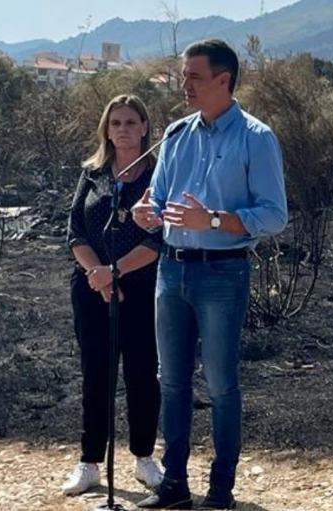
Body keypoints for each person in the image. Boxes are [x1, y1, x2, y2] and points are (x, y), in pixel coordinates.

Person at [131, 39, 288, 510]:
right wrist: (147, 212)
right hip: (171, 270)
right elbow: (157, 199)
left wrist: (214, 220)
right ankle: (174, 484)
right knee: (171, 382)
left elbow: (275, 215)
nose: (185, 85)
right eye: (183, 76)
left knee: (220, 384)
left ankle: (221, 488)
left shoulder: (257, 138)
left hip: (223, 273)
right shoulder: (177, 133)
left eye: (194, 77)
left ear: (225, 80)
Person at [63, 94, 165, 496]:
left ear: (144, 128)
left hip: (140, 289)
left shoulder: (158, 175)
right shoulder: (92, 173)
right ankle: (90, 463)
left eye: (131, 122)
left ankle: (143, 457)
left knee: (142, 374)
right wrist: (100, 277)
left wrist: (116, 273)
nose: (123, 129)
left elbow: (158, 237)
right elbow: (75, 231)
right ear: (106, 129)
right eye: (115, 122)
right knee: (96, 374)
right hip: (91, 288)